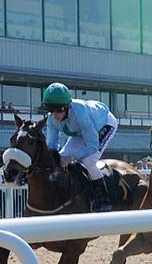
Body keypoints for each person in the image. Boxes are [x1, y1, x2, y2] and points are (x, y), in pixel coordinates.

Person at [41, 83, 119, 212]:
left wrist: (72, 157)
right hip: (80, 132)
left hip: (104, 124)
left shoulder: (81, 114)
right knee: (61, 156)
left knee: (89, 161)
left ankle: (103, 199)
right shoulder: (51, 120)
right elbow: (52, 146)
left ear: (67, 107)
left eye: (59, 110)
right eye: (51, 110)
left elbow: (92, 145)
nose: (55, 115)